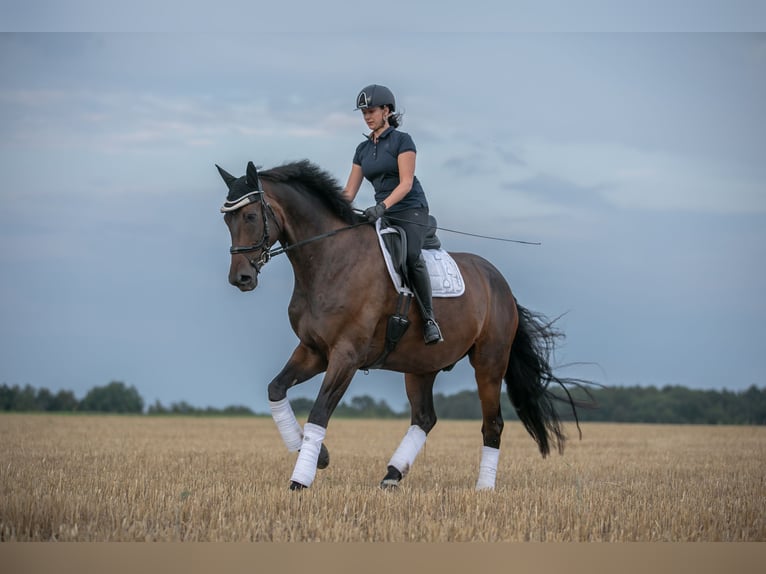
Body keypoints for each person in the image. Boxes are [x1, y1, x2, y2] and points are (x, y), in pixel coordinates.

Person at [342, 84, 443, 345]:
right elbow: (349, 192)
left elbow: (406, 183)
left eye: (371, 111)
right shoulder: (362, 150)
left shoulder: (402, 141)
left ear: (386, 111)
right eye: (364, 112)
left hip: (411, 210)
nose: (367, 116)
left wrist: (382, 206)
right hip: (382, 214)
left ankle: (430, 320)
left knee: (410, 257)